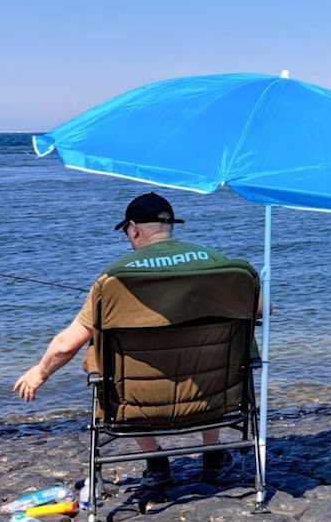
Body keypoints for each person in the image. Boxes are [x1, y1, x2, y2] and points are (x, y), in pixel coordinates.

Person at [14, 191, 256, 487]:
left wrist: (40, 372)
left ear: (134, 229)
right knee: (208, 351)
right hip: (215, 396)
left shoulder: (115, 279)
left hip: (137, 402)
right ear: (169, 226)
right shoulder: (221, 265)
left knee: (102, 354)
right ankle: (212, 453)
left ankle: (155, 460)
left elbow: (66, 345)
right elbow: (262, 309)